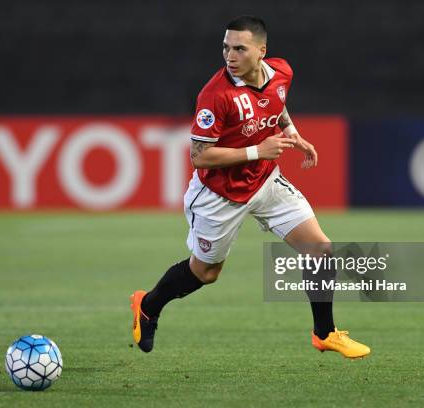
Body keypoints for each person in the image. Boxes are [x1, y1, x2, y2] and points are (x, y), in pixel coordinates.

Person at [130, 15, 370, 359]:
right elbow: (199, 157)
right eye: (226, 48)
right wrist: (258, 149)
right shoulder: (215, 95)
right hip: (219, 195)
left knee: (319, 248)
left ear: (261, 51)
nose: (230, 55)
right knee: (206, 272)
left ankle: (325, 333)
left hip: (265, 180)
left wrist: (291, 133)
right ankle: (148, 306)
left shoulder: (282, 72)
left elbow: (277, 102)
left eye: (239, 48)